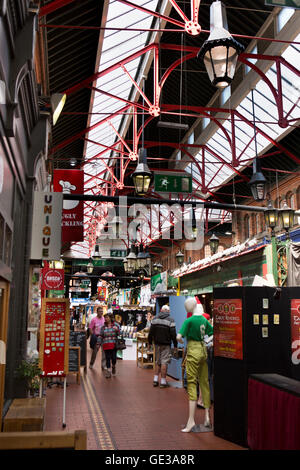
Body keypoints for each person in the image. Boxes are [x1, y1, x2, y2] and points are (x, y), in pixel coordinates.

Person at [177, 298, 213, 432]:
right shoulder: (204, 319)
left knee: (192, 383)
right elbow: (212, 332)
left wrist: (180, 340)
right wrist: (207, 341)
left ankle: (191, 421)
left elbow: (179, 336)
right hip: (203, 350)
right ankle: (207, 417)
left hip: (193, 351)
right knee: (204, 382)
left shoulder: (189, 320)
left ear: (189, 308)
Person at [148, 305, 178, 389]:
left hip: (157, 343)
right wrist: (175, 345)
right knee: (164, 362)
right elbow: (173, 333)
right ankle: (163, 382)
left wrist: (150, 342)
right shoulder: (171, 320)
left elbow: (151, 332)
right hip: (166, 344)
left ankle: (155, 380)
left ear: (161, 310)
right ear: (168, 311)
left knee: (158, 361)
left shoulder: (155, 318)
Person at [99, 314, 120, 378]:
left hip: (113, 344)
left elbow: (120, 333)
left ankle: (113, 366)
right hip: (106, 344)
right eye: (105, 318)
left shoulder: (116, 325)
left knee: (114, 358)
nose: (105, 319)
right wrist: (98, 343)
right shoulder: (103, 327)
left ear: (110, 318)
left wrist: (117, 330)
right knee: (107, 358)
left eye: (107, 317)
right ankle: (108, 372)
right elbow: (101, 335)